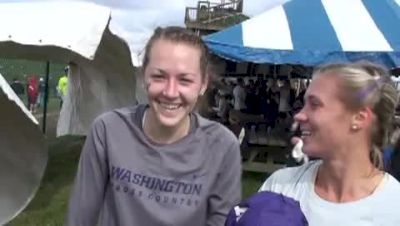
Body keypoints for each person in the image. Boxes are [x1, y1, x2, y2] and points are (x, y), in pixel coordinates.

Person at [66, 26, 242, 226]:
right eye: (159, 76)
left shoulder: (222, 146)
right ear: (143, 77)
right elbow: (80, 217)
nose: (170, 92)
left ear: (203, 84)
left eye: (185, 80)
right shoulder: (108, 131)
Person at [258, 62, 400, 225]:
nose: (300, 116)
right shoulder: (280, 187)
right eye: (305, 104)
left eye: (315, 104)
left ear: (359, 118)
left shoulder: (394, 208)